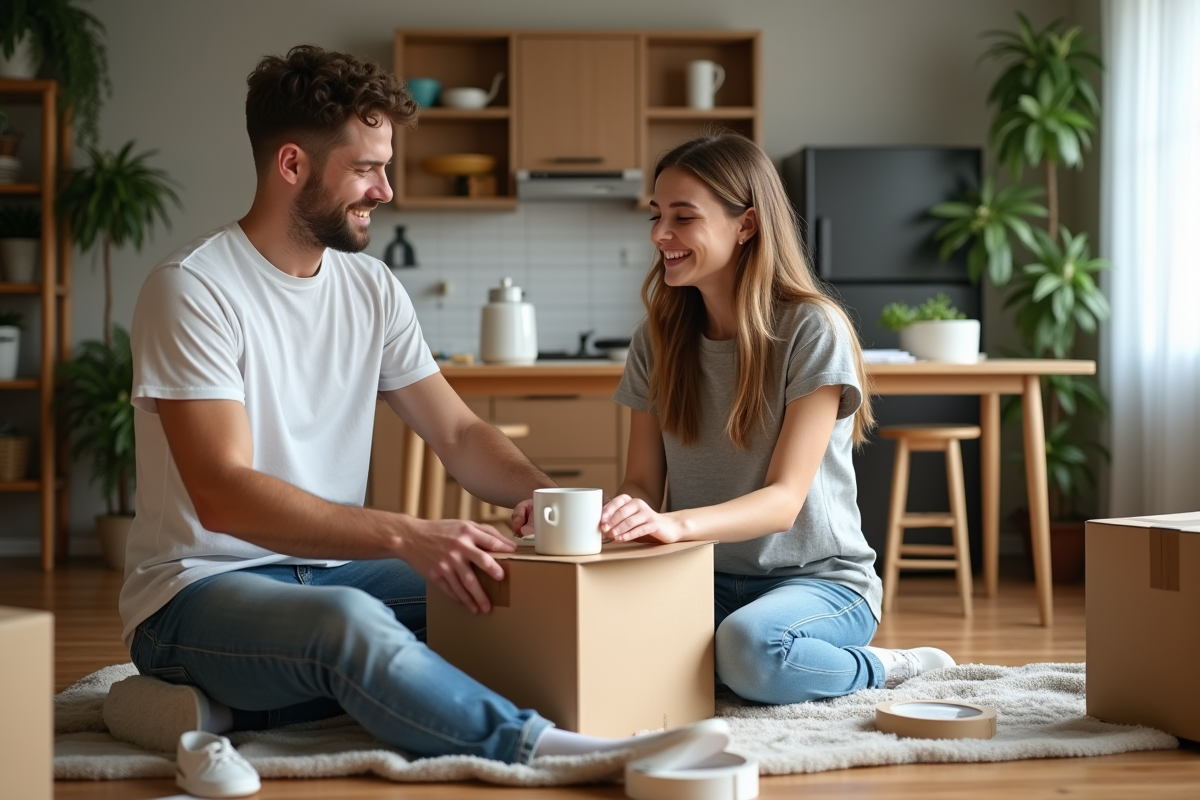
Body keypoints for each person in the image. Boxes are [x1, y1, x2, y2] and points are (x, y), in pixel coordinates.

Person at [110, 45, 727, 775]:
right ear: (291, 166)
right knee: (347, 626)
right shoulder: (194, 289)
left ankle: (238, 709)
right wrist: (407, 536)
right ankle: (549, 752)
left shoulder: (370, 289)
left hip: (333, 572)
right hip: (197, 592)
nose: (387, 189)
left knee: (507, 585)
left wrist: (547, 499)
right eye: (366, 168)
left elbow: (459, 432)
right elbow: (222, 492)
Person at [596, 133, 955, 705]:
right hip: (700, 578)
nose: (659, 235)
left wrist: (678, 525)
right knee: (597, 644)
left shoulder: (813, 329)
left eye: (683, 218)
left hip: (818, 580)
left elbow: (784, 500)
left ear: (746, 225)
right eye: (657, 215)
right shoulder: (657, 340)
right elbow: (642, 482)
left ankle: (883, 666)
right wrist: (625, 518)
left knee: (749, 649)